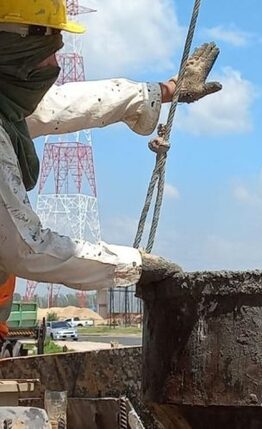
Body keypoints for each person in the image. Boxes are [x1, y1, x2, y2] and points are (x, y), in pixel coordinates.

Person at [0, 1, 221, 335]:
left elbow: (60, 105)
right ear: (15, 49)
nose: (54, 66)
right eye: (47, 52)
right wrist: (136, 266)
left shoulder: (8, 106)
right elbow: (28, 248)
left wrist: (163, 92)